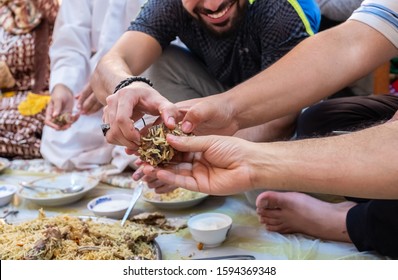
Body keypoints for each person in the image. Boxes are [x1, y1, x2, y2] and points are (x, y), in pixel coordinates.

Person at [135, 0, 398, 258]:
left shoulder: (280, 9)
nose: (213, 5)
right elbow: (352, 42)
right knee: (319, 121)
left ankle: (348, 220)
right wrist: (228, 109)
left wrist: (252, 161)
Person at [91, 0, 321, 153]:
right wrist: (126, 86)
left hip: (285, 107)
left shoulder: (280, 9)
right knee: (160, 63)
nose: (212, 4)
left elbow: (280, 119)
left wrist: (199, 153)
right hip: (222, 96)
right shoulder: (169, 5)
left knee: (262, 194)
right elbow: (111, 64)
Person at [40, 0, 145, 170]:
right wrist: (64, 85)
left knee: (146, 156)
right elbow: (70, 40)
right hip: (88, 89)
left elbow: (160, 36)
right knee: (61, 148)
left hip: (146, 80)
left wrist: (114, 81)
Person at [0, 0, 59, 159]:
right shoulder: (5, 15)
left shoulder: (53, 13)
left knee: (19, 123)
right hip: (9, 97)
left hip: (43, 97)